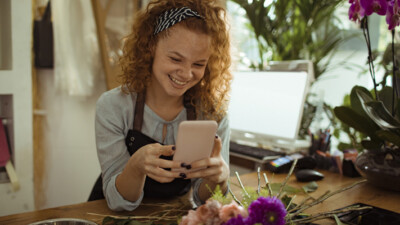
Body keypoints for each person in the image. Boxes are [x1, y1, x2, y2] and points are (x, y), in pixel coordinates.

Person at [94, 0, 232, 211]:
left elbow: (203, 200)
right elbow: (117, 202)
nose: (186, 74)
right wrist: (136, 166)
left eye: (198, 64)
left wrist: (219, 179)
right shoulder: (113, 107)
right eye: (176, 59)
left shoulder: (214, 114)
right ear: (151, 47)